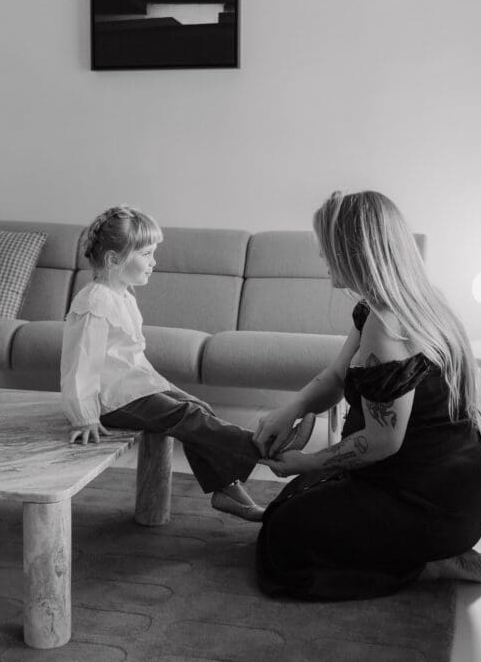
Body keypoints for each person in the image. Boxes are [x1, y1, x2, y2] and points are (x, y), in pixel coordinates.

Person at [253, 190, 481, 600]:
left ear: (354, 253)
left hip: (431, 501)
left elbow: (383, 441)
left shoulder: (387, 326)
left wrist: (306, 461)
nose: (322, 259)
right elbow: (335, 375)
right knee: (288, 504)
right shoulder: (402, 303)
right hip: (441, 488)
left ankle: (427, 564)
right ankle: (426, 550)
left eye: (327, 249)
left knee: (282, 541)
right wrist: (289, 409)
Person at [61, 205, 315, 522]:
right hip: (109, 400)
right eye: (147, 254)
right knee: (188, 415)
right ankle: (266, 448)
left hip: (131, 389)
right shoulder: (95, 299)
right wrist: (83, 416)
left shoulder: (122, 294)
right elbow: (79, 363)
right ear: (114, 260)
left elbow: (129, 359)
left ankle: (226, 490)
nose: (154, 262)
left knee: (198, 407)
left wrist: (162, 387)